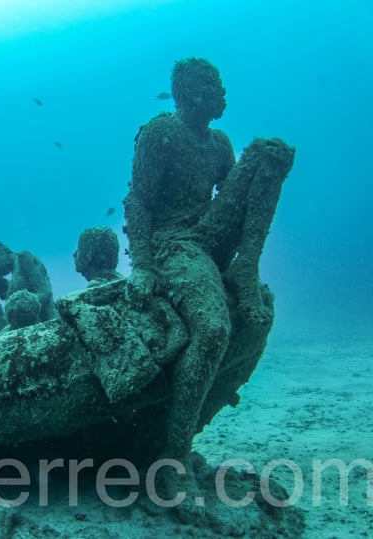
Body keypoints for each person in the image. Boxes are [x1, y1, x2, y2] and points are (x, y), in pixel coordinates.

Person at [123, 58, 294, 521]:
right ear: (181, 92)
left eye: (218, 82)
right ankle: (172, 458)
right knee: (214, 328)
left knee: (270, 152)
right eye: (205, 84)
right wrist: (143, 266)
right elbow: (138, 201)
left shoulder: (220, 143)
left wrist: (239, 254)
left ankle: (246, 269)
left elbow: (231, 200)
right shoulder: (160, 134)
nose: (217, 90)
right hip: (173, 242)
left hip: (207, 233)